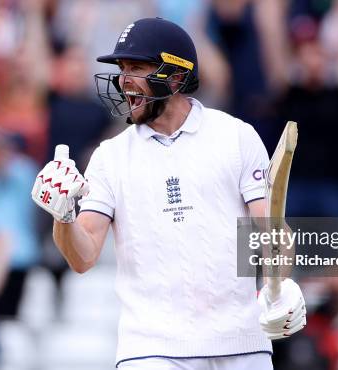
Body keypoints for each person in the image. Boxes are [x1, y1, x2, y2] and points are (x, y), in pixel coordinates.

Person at [31, 18, 306, 369]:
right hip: (150, 348)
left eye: (136, 67)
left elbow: (269, 229)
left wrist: (280, 285)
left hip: (240, 343)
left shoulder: (235, 136)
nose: (123, 80)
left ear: (175, 77)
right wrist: (63, 216)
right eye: (122, 69)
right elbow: (82, 257)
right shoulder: (110, 157)